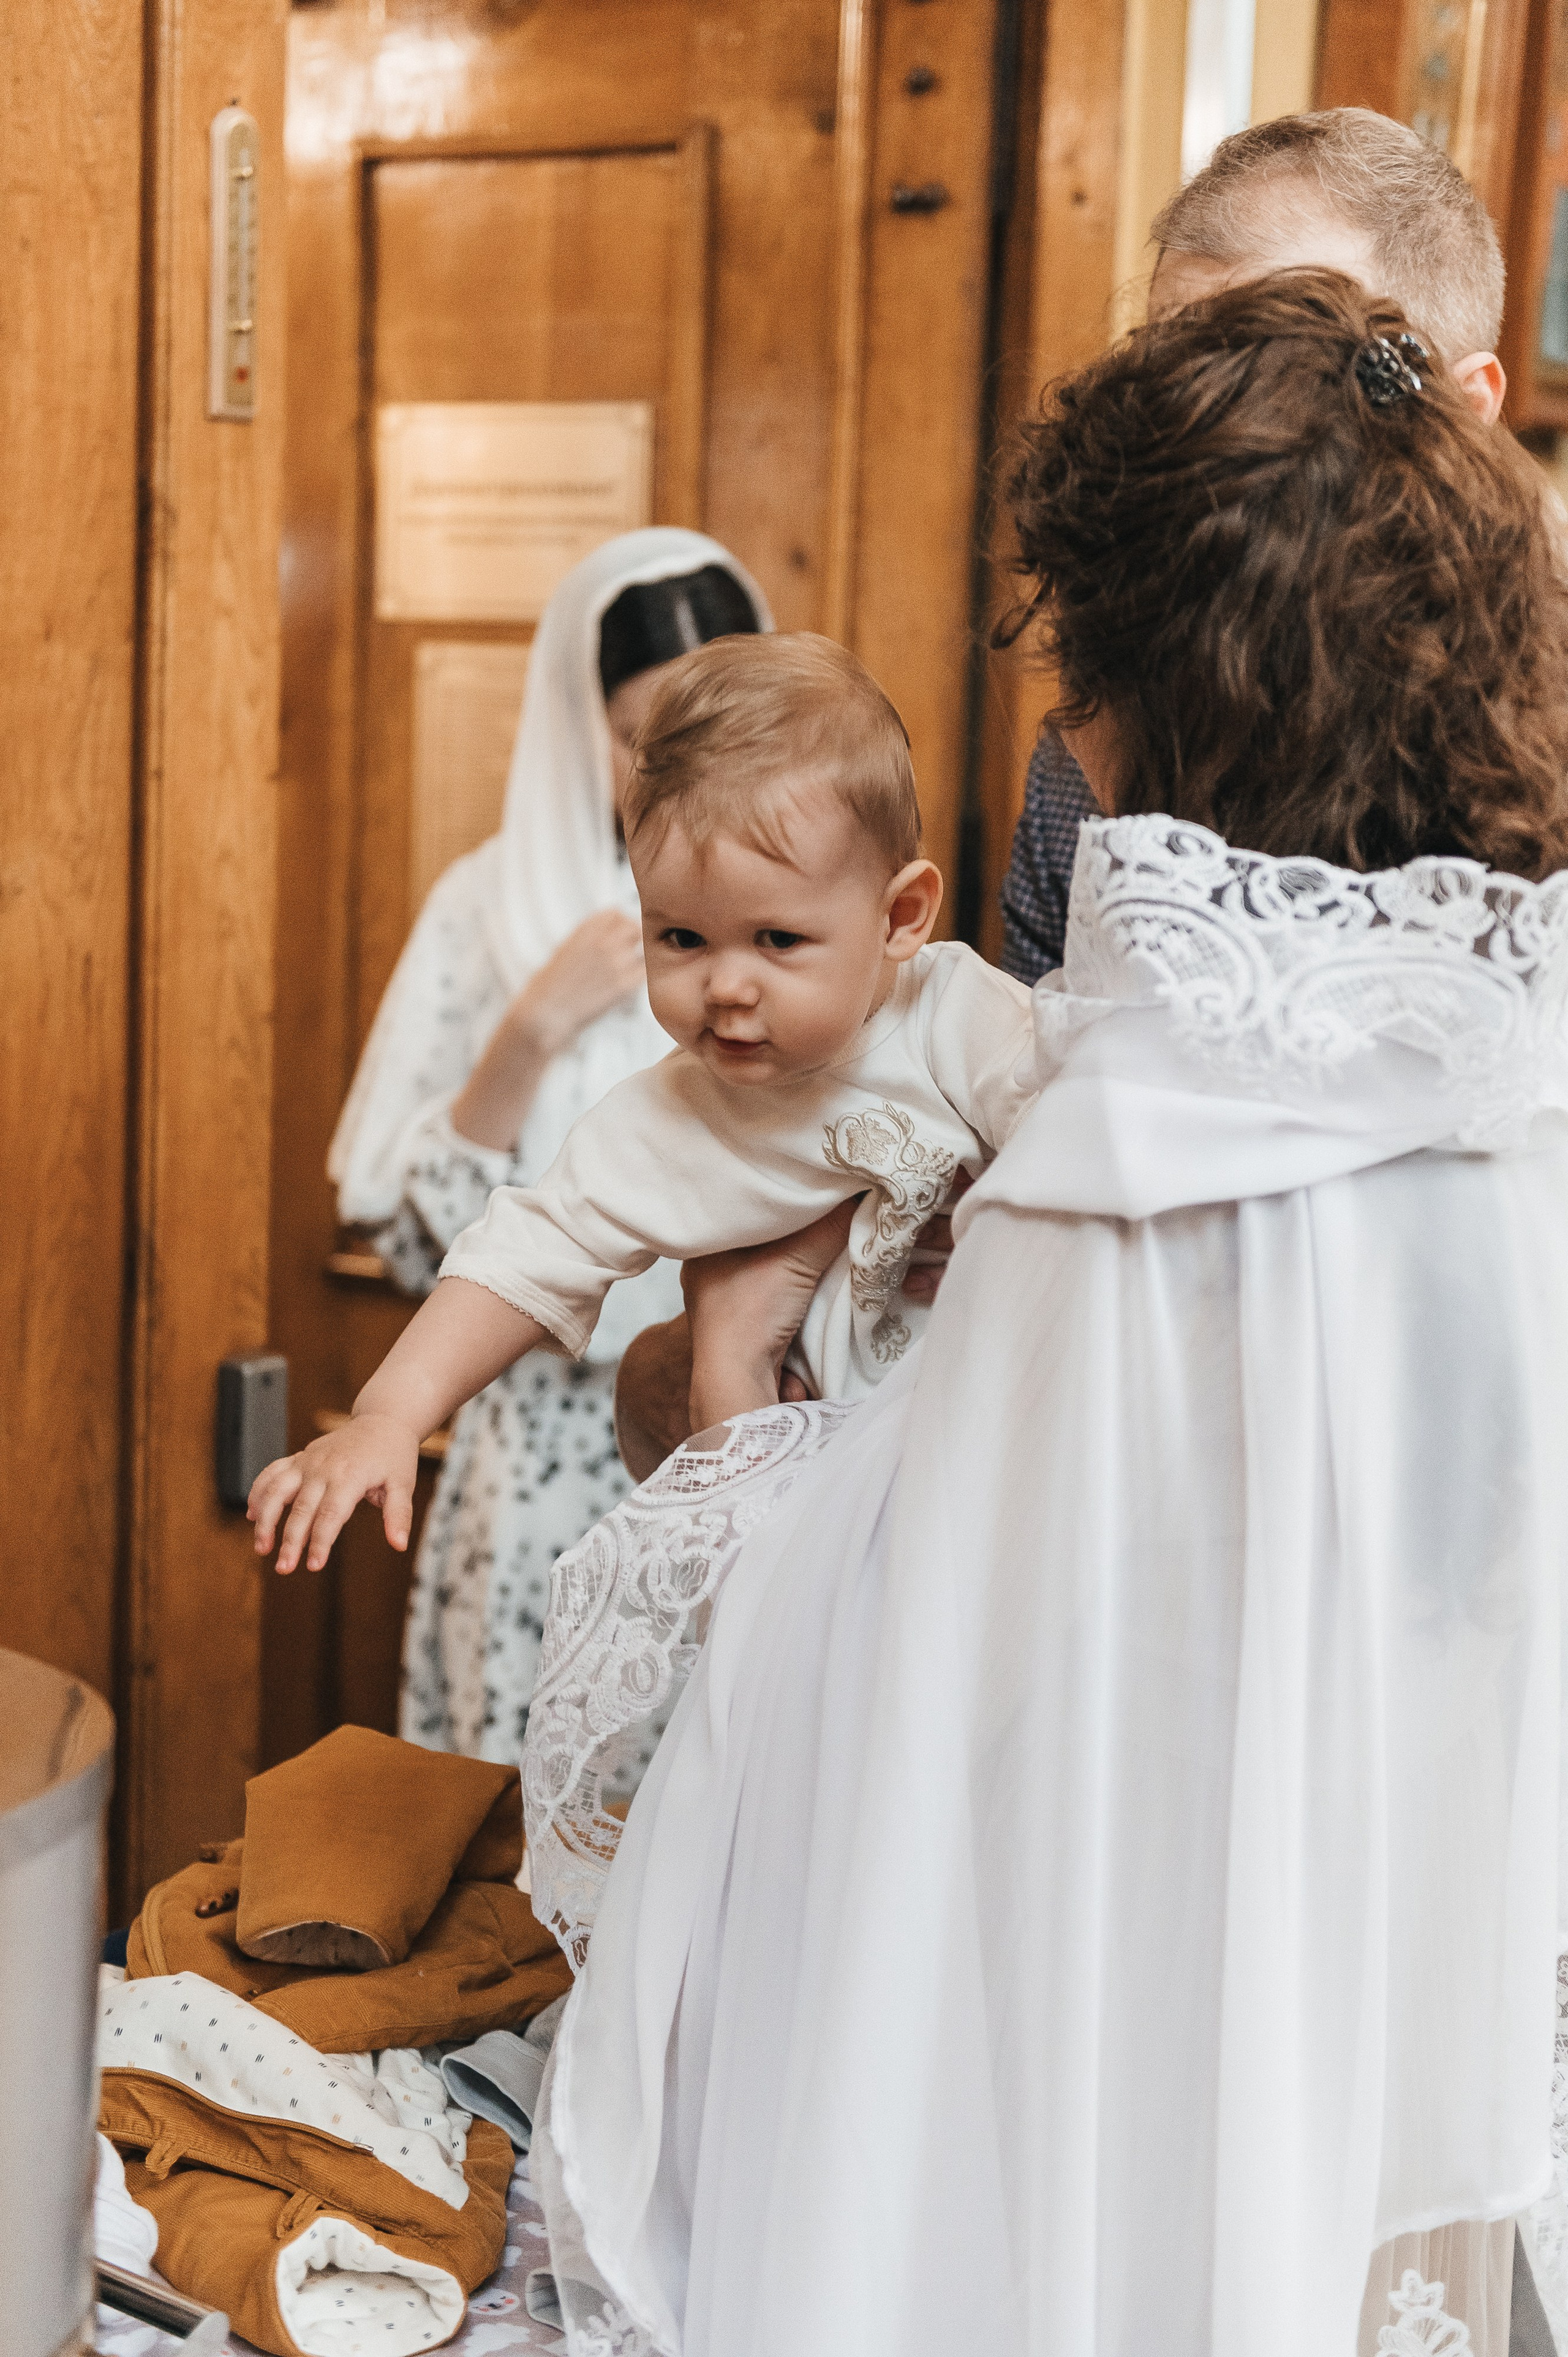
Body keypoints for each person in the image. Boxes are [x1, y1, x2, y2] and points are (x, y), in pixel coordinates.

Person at [524, 271, 1568, 2357]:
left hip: (1120, 2070)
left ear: (1152, 689)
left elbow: (901, 1703)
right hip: (1380, 2058)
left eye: (1076, 670)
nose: (1060, 735)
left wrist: (732, 1406)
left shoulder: (1146, 1146)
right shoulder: (1507, 1068)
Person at [254, 633, 1036, 1575]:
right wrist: (386, 1416)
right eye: (682, 937)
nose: (726, 987)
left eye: (777, 939)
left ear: (900, 917)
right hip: (812, 1505)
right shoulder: (677, 1112)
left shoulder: (959, 1017)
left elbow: (1079, 1142)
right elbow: (523, 1254)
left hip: (987, 1457)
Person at [322, 527, 767, 1760]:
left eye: (715, 726)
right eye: (644, 738)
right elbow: (416, 1249)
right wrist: (527, 1035)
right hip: (537, 1467)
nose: (682, 769)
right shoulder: (487, 904)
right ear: (588, 728)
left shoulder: (793, 911)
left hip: (732, 1441)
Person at [1001, 104, 1509, 986]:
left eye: (1291, 369)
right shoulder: (1095, 745)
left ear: (1466, 409)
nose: (1212, 436)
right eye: (1178, 374)